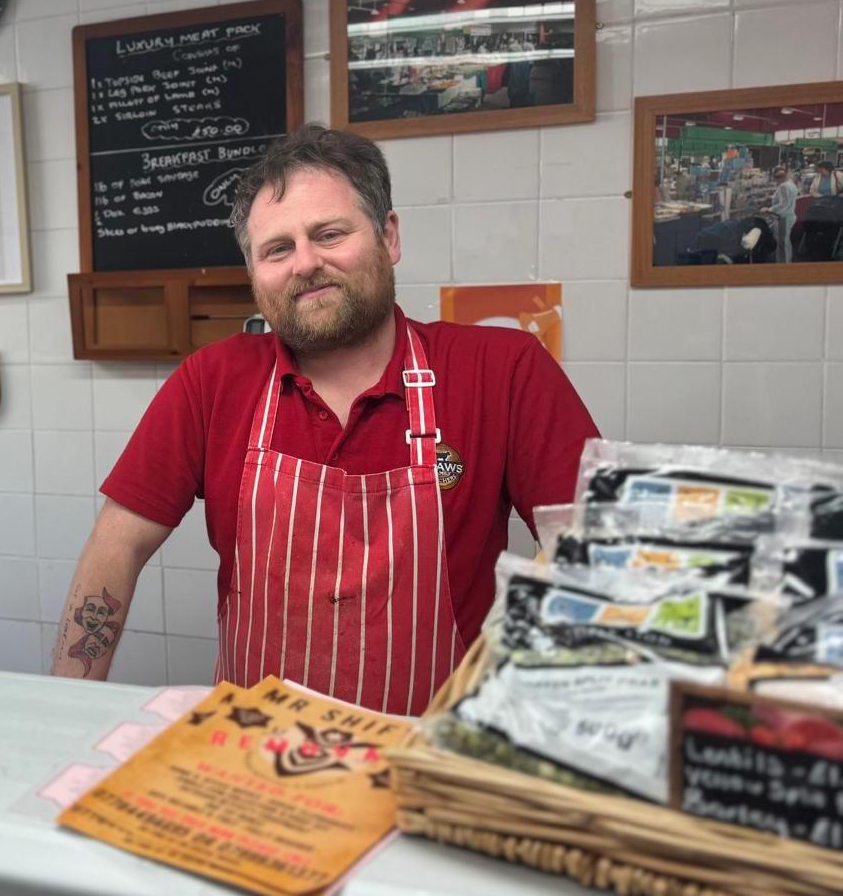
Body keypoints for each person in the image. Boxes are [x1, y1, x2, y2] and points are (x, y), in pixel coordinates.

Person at [48, 125, 599, 715]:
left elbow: (590, 560)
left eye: (329, 234)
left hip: (436, 759)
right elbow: (116, 546)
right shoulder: (214, 381)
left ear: (388, 236)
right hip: (255, 754)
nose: (305, 264)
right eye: (277, 249)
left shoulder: (502, 368)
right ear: (255, 271)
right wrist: (62, 712)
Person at [771, 167, 799, 263]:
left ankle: (784, 263)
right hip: (790, 215)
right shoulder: (791, 185)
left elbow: (783, 204)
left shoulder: (783, 186)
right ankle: (786, 261)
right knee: (785, 241)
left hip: (783, 217)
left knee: (782, 242)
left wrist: (769, 210)